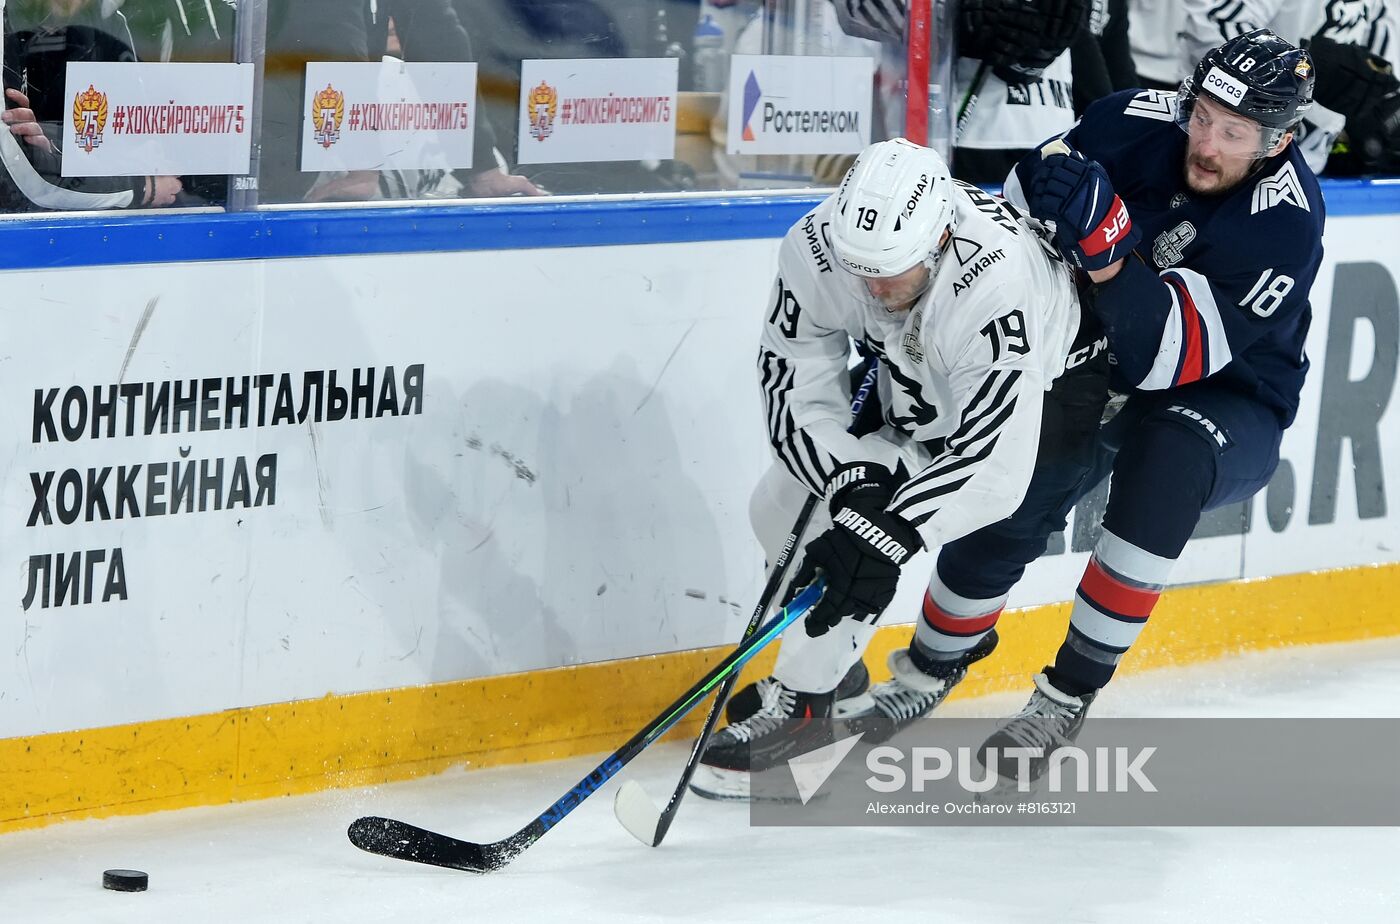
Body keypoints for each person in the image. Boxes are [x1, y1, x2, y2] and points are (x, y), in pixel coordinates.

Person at [892, 28, 1322, 787]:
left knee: (1169, 458)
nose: (1207, 144)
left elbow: (1172, 358)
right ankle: (928, 667)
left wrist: (1106, 248)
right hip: (1107, 353)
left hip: (1229, 393)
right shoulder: (1132, 118)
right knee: (1018, 484)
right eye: (1203, 117)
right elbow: (1014, 222)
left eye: (1235, 133)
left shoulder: (1285, 221)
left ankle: (1065, 694)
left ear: (1280, 141)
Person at [691, 136, 1110, 799]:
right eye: (862, 269)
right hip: (919, 378)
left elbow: (993, 462)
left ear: (941, 237)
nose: (875, 287)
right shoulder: (818, 244)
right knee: (778, 509)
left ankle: (802, 710)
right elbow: (792, 377)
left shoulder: (994, 280)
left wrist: (885, 529)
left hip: (1052, 397)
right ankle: (834, 676)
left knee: (865, 543)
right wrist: (850, 480)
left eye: (893, 270)